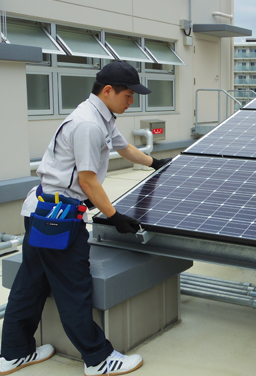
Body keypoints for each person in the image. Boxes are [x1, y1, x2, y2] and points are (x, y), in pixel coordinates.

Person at [0, 62, 172, 376]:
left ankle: (14, 352)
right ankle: (98, 358)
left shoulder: (100, 117)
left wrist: (156, 162)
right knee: (73, 288)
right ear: (108, 91)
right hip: (60, 218)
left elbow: (125, 147)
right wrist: (114, 215)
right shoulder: (88, 124)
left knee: (30, 285)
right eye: (128, 94)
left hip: (41, 212)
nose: (131, 100)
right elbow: (89, 181)